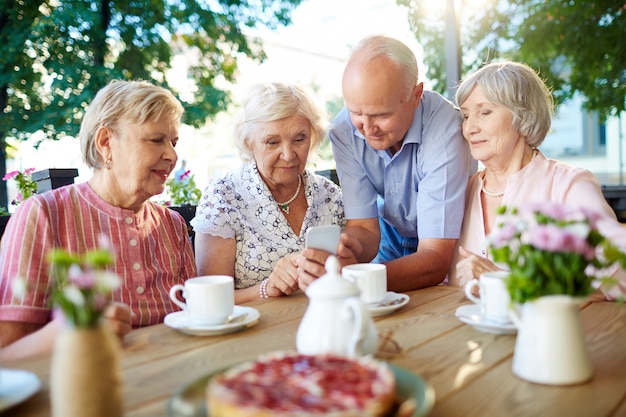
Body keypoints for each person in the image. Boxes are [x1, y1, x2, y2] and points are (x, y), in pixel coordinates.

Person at [0, 80, 197, 360]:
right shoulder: (43, 214)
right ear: (106, 143)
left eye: (173, 142)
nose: (172, 155)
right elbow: (6, 353)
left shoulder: (172, 224)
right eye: (156, 140)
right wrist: (72, 331)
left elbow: (196, 317)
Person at [297, 34, 473, 292]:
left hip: (450, 242)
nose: (368, 130)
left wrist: (354, 279)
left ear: (416, 95)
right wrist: (348, 251)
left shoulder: (446, 129)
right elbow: (364, 228)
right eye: (357, 112)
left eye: (381, 115)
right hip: (390, 234)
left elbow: (436, 257)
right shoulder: (344, 130)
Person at [448, 60, 626, 300]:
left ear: (522, 116)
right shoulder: (460, 191)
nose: (470, 128)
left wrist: (510, 282)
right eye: (466, 116)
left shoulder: (568, 185)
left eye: (485, 112)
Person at [191, 82, 345, 304]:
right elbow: (208, 300)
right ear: (248, 142)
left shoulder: (329, 194)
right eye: (272, 142)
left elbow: (350, 270)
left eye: (299, 139)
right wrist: (266, 288)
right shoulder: (223, 198)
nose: (288, 155)